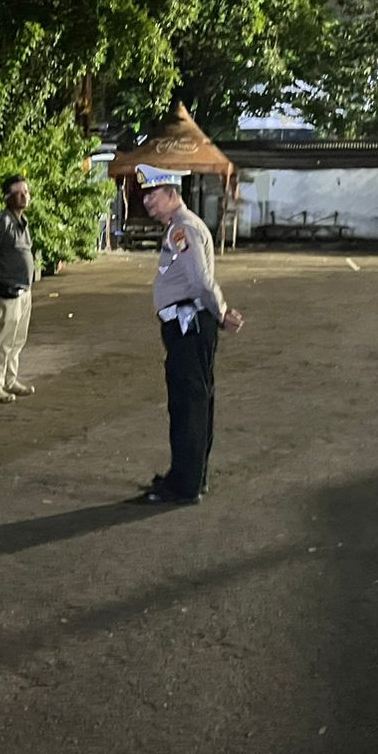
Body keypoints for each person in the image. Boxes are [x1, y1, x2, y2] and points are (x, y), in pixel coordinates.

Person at [133, 164, 245, 505]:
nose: (147, 202)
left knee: (188, 406)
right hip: (189, 325)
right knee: (194, 402)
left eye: (153, 194)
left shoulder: (182, 228)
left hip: (189, 326)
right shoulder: (179, 226)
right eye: (145, 195)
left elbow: (199, 281)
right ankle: (192, 475)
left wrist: (221, 312)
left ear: (172, 193)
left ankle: (185, 485)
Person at [0, 174, 37, 402]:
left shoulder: (22, 222)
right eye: (18, 193)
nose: (24, 196)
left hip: (24, 290)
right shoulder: (3, 222)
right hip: (7, 292)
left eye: (25, 191)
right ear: (7, 197)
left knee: (17, 340)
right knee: (3, 341)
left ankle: (10, 378)